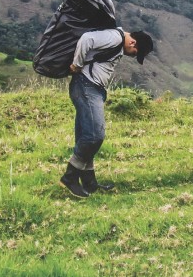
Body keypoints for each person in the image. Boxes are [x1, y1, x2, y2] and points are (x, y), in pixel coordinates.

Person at [60, 28, 154, 198]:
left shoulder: (117, 42)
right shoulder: (113, 37)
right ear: (133, 43)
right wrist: (77, 64)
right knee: (94, 136)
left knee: (86, 136)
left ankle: (89, 183)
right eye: (134, 53)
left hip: (92, 89)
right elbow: (87, 39)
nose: (132, 55)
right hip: (86, 86)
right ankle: (70, 177)